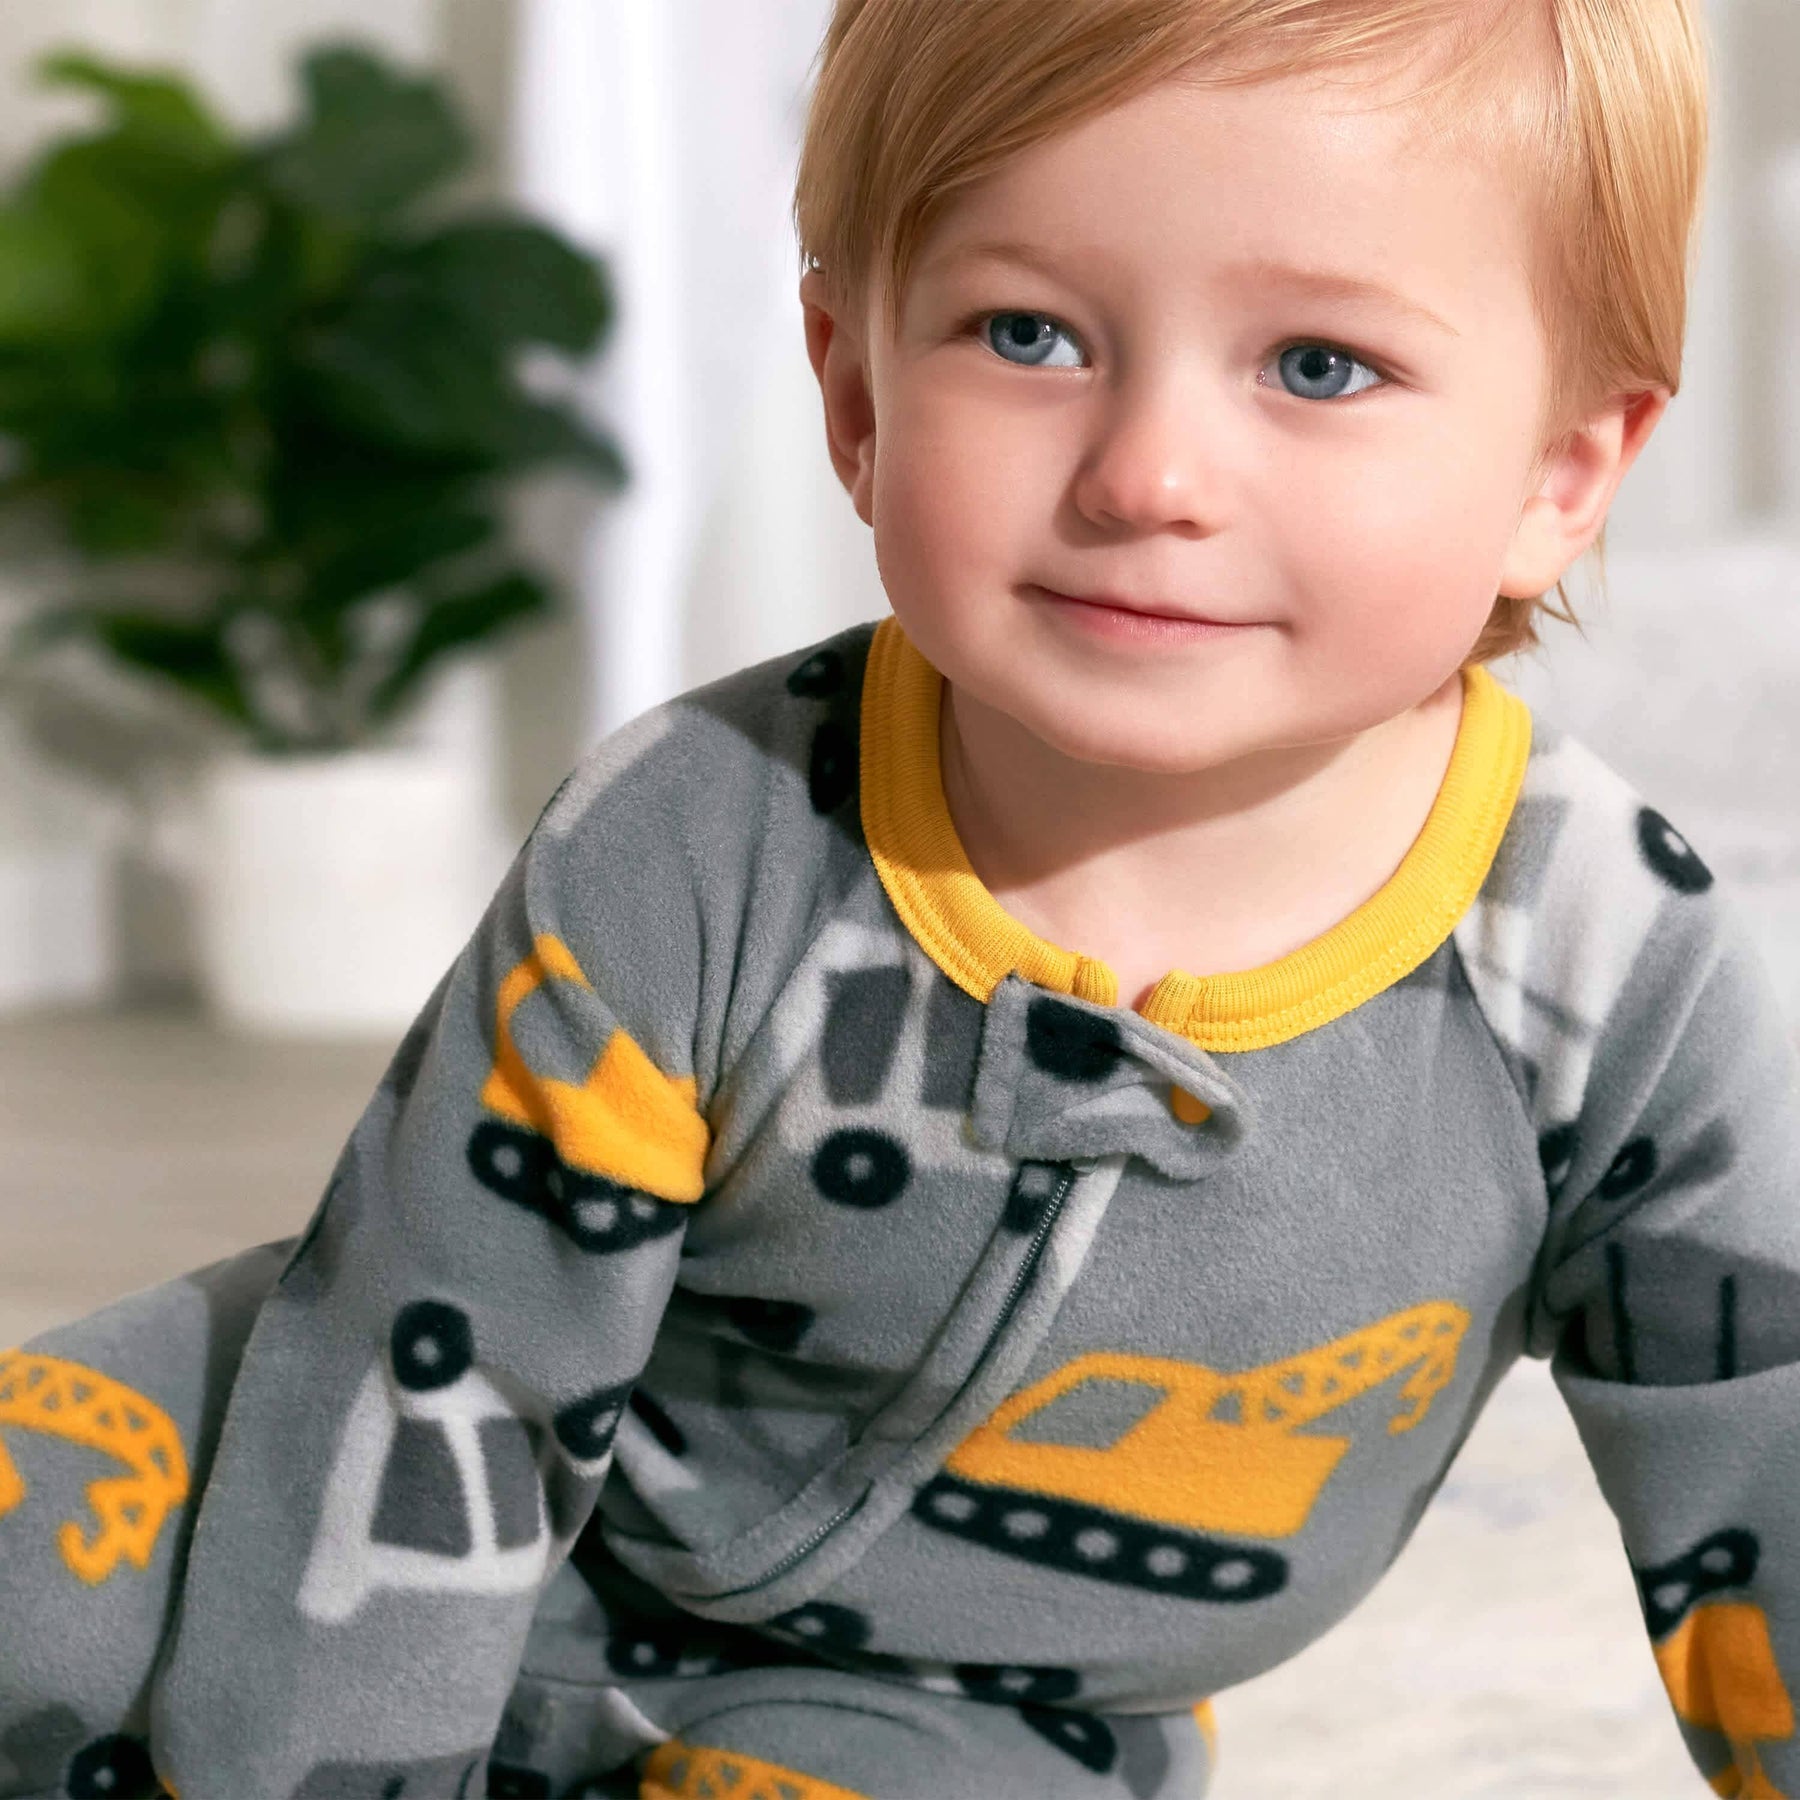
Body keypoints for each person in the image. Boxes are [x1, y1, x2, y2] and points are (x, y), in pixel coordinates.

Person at [3, 1, 1795, 1795]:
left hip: (979, 1694)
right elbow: (435, 1366)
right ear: (857, 394)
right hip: (346, 1471)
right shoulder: (693, 831)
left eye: (1319, 366)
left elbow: (1766, 1442)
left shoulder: (1613, 971)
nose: (1149, 475)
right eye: (1030, 335)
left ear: (1561, 474)